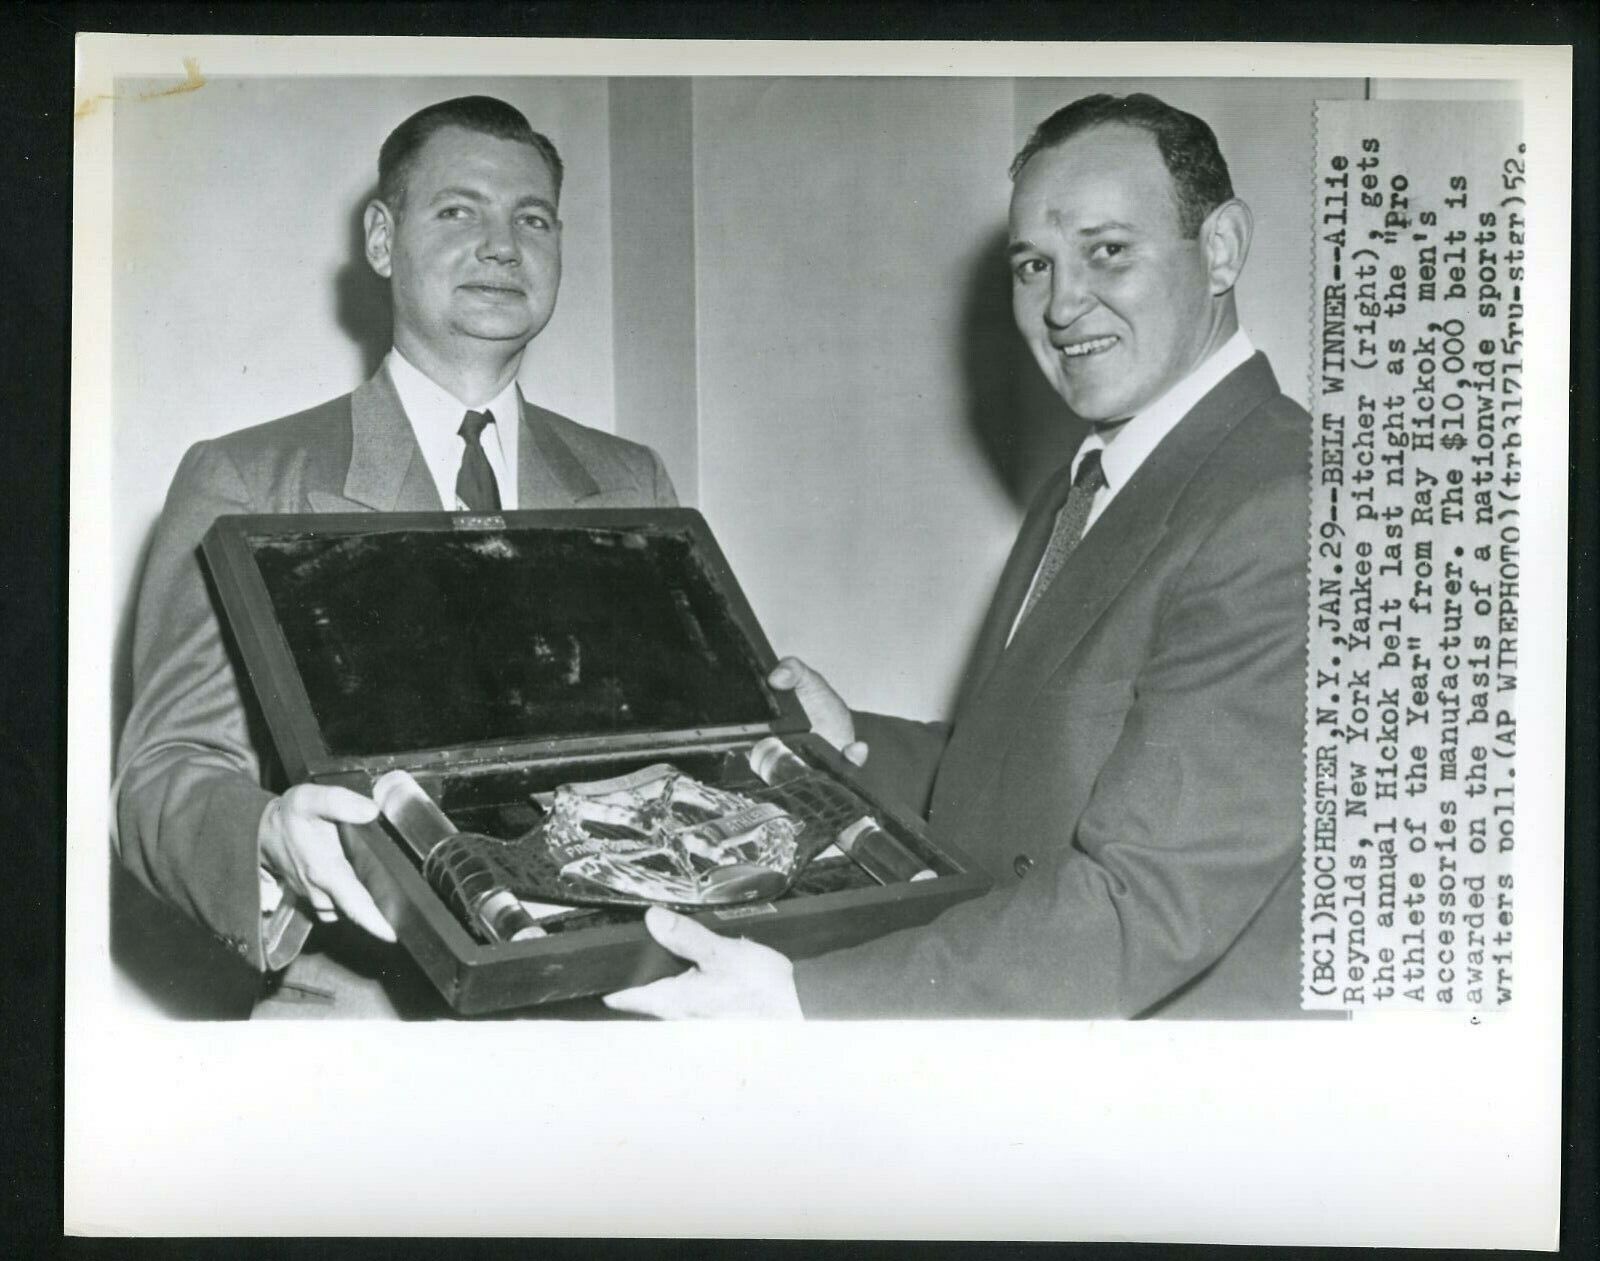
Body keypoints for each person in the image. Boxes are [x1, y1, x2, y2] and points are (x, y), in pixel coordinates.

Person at [605, 93, 1310, 1020]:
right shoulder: (1095, 478)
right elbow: (1020, 769)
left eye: (1109, 251)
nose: (1061, 304)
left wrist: (812, 1002)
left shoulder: (1284, 500)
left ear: (1219, 248)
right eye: (1034, 264)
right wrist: (845, 740)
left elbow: (1144, 906)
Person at [114, 96, 677, 1016]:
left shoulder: (632, 481)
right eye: (459, 211)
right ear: (382, 240)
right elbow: (164, 774)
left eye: (532, 218)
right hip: (370, 1000)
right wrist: (268, 838)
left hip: (612, 1008)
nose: (503, 244)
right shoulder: (249, 480)